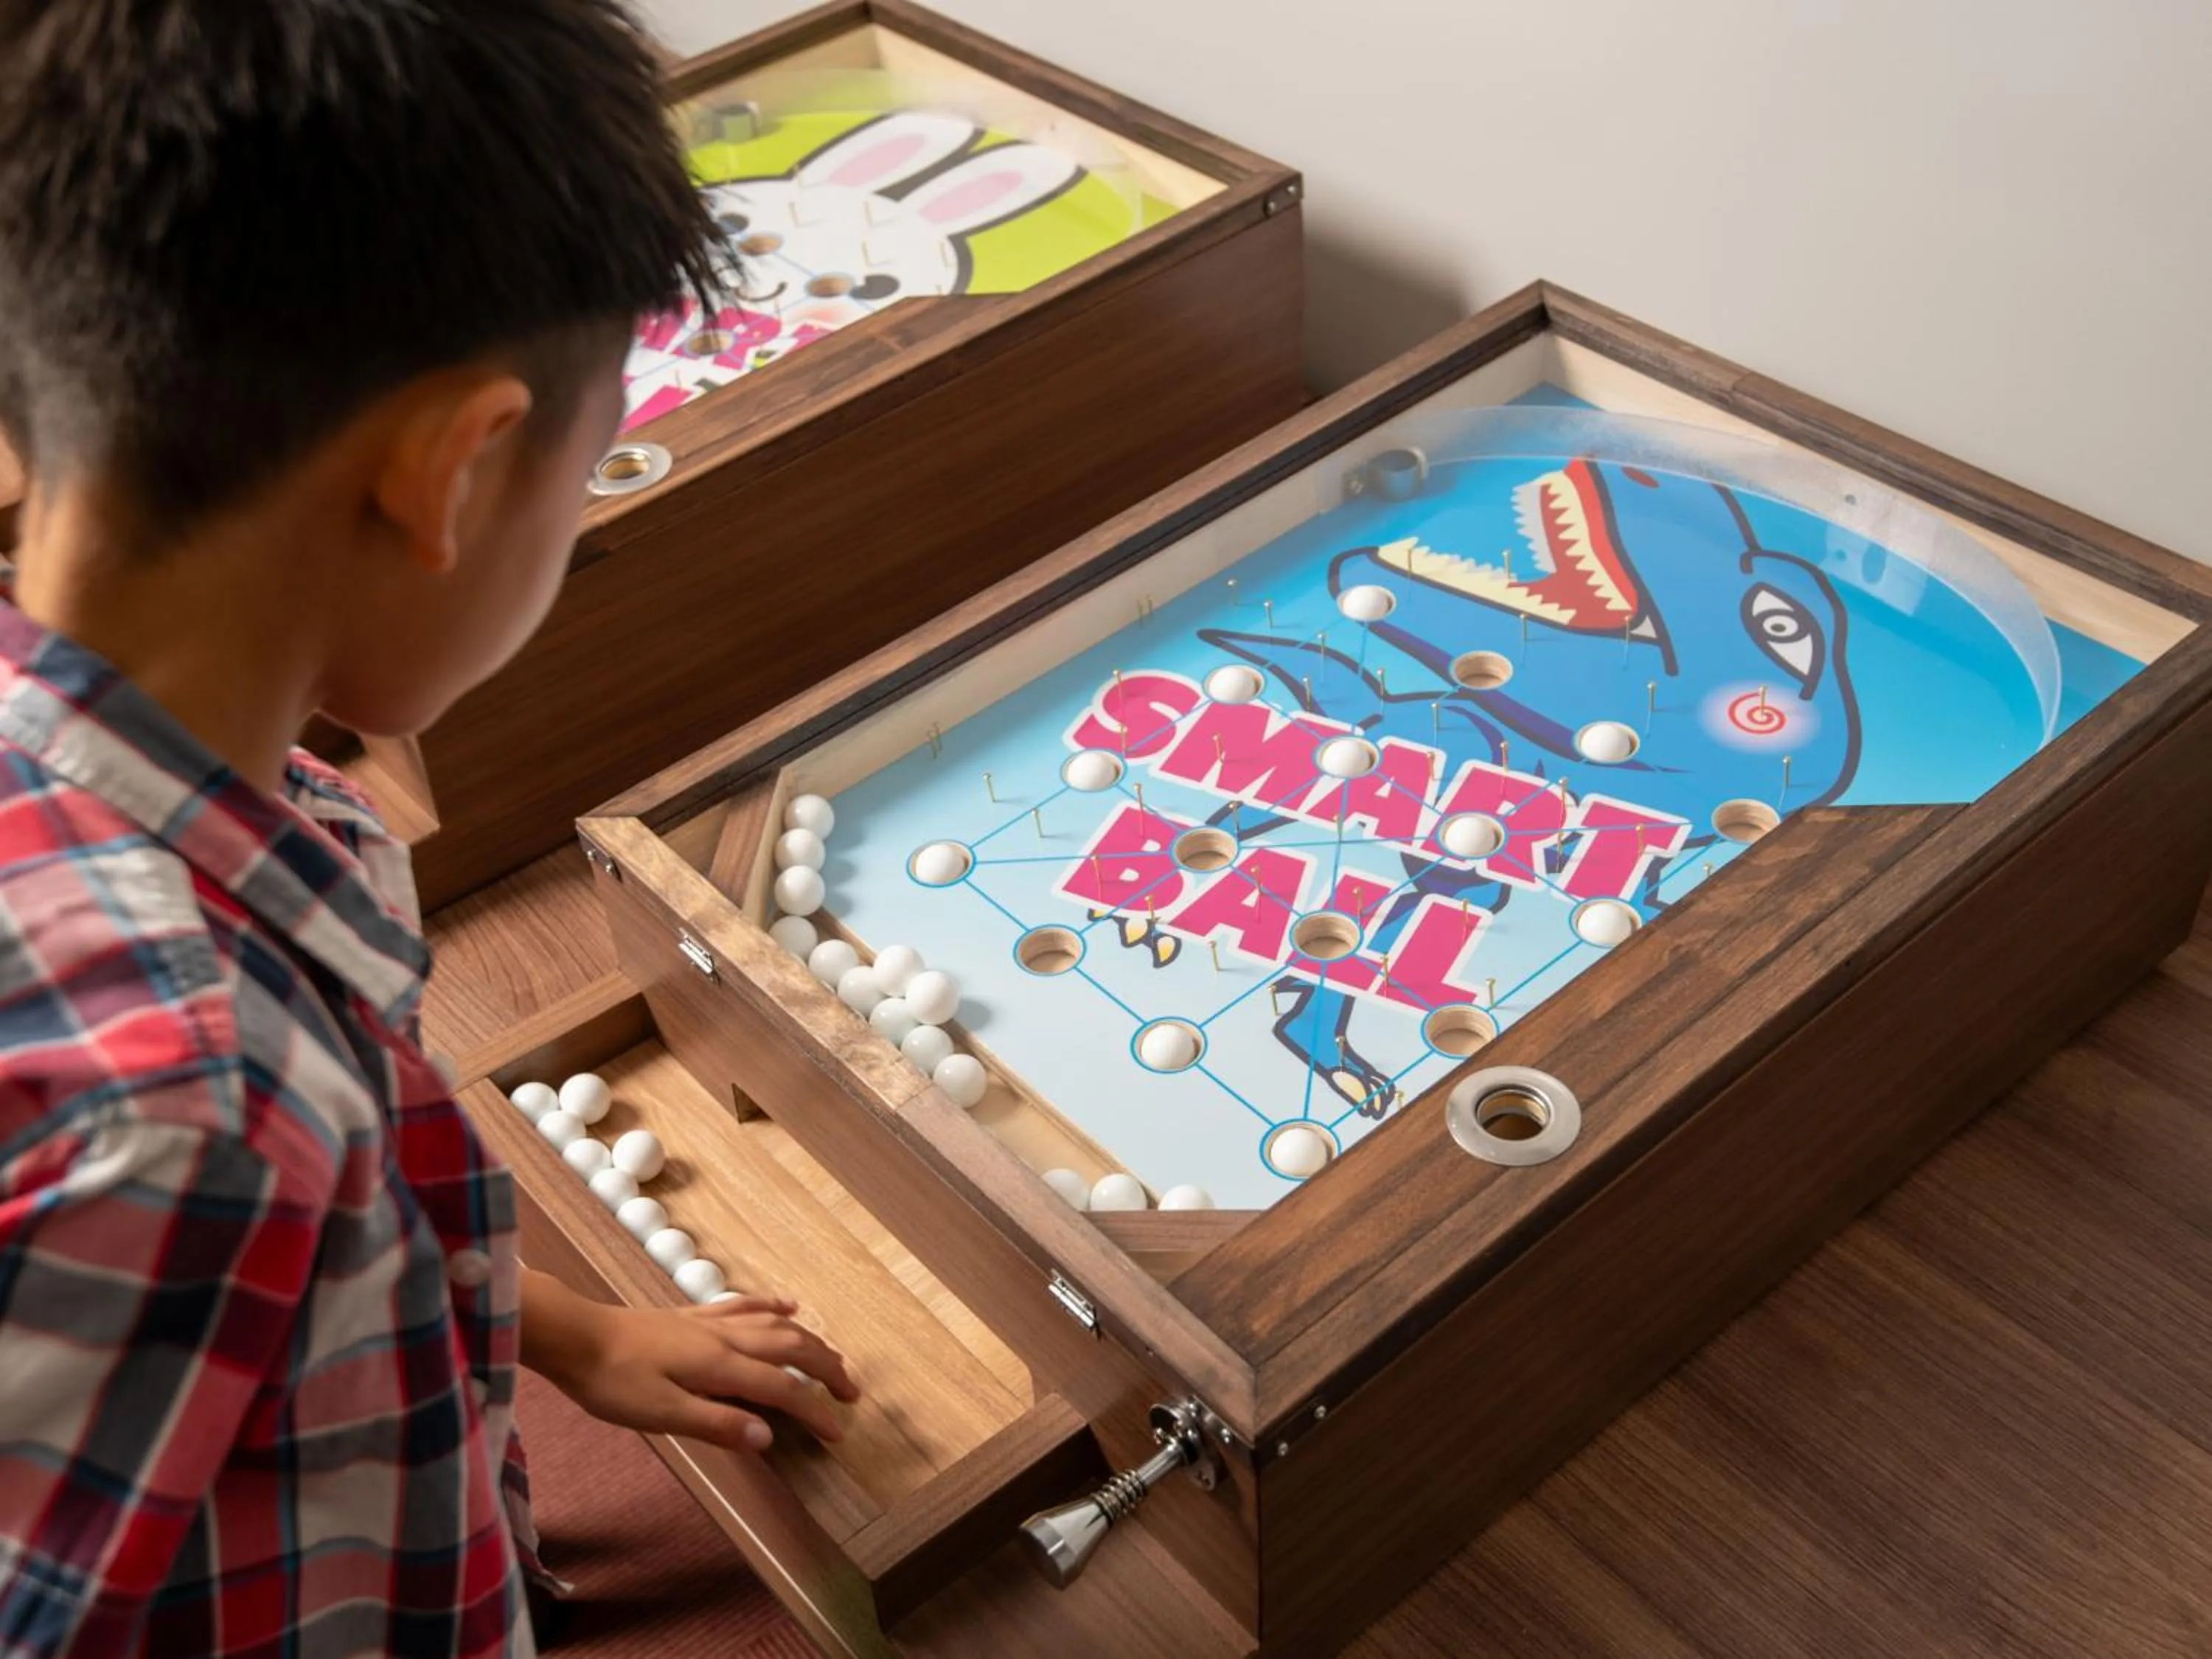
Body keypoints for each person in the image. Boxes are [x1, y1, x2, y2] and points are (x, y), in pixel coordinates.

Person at [0, 2, 858, 1654]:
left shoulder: (237, 839)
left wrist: (560, 1336)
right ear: (453, 478)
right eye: (588, 473)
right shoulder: (197, 1114)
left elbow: (319, 1225)